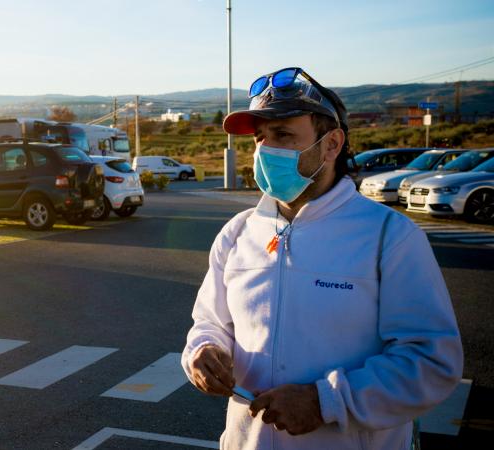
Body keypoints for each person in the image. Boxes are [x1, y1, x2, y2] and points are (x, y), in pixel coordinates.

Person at [181, 67, 463, 450]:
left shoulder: (388, 236)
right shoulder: (238, 232)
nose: (265, 150)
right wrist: (203, 351)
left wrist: (324, 402)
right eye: (260, 138)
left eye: (282, 135)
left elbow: (431, 361)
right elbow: (210, 322)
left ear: (331, 145)